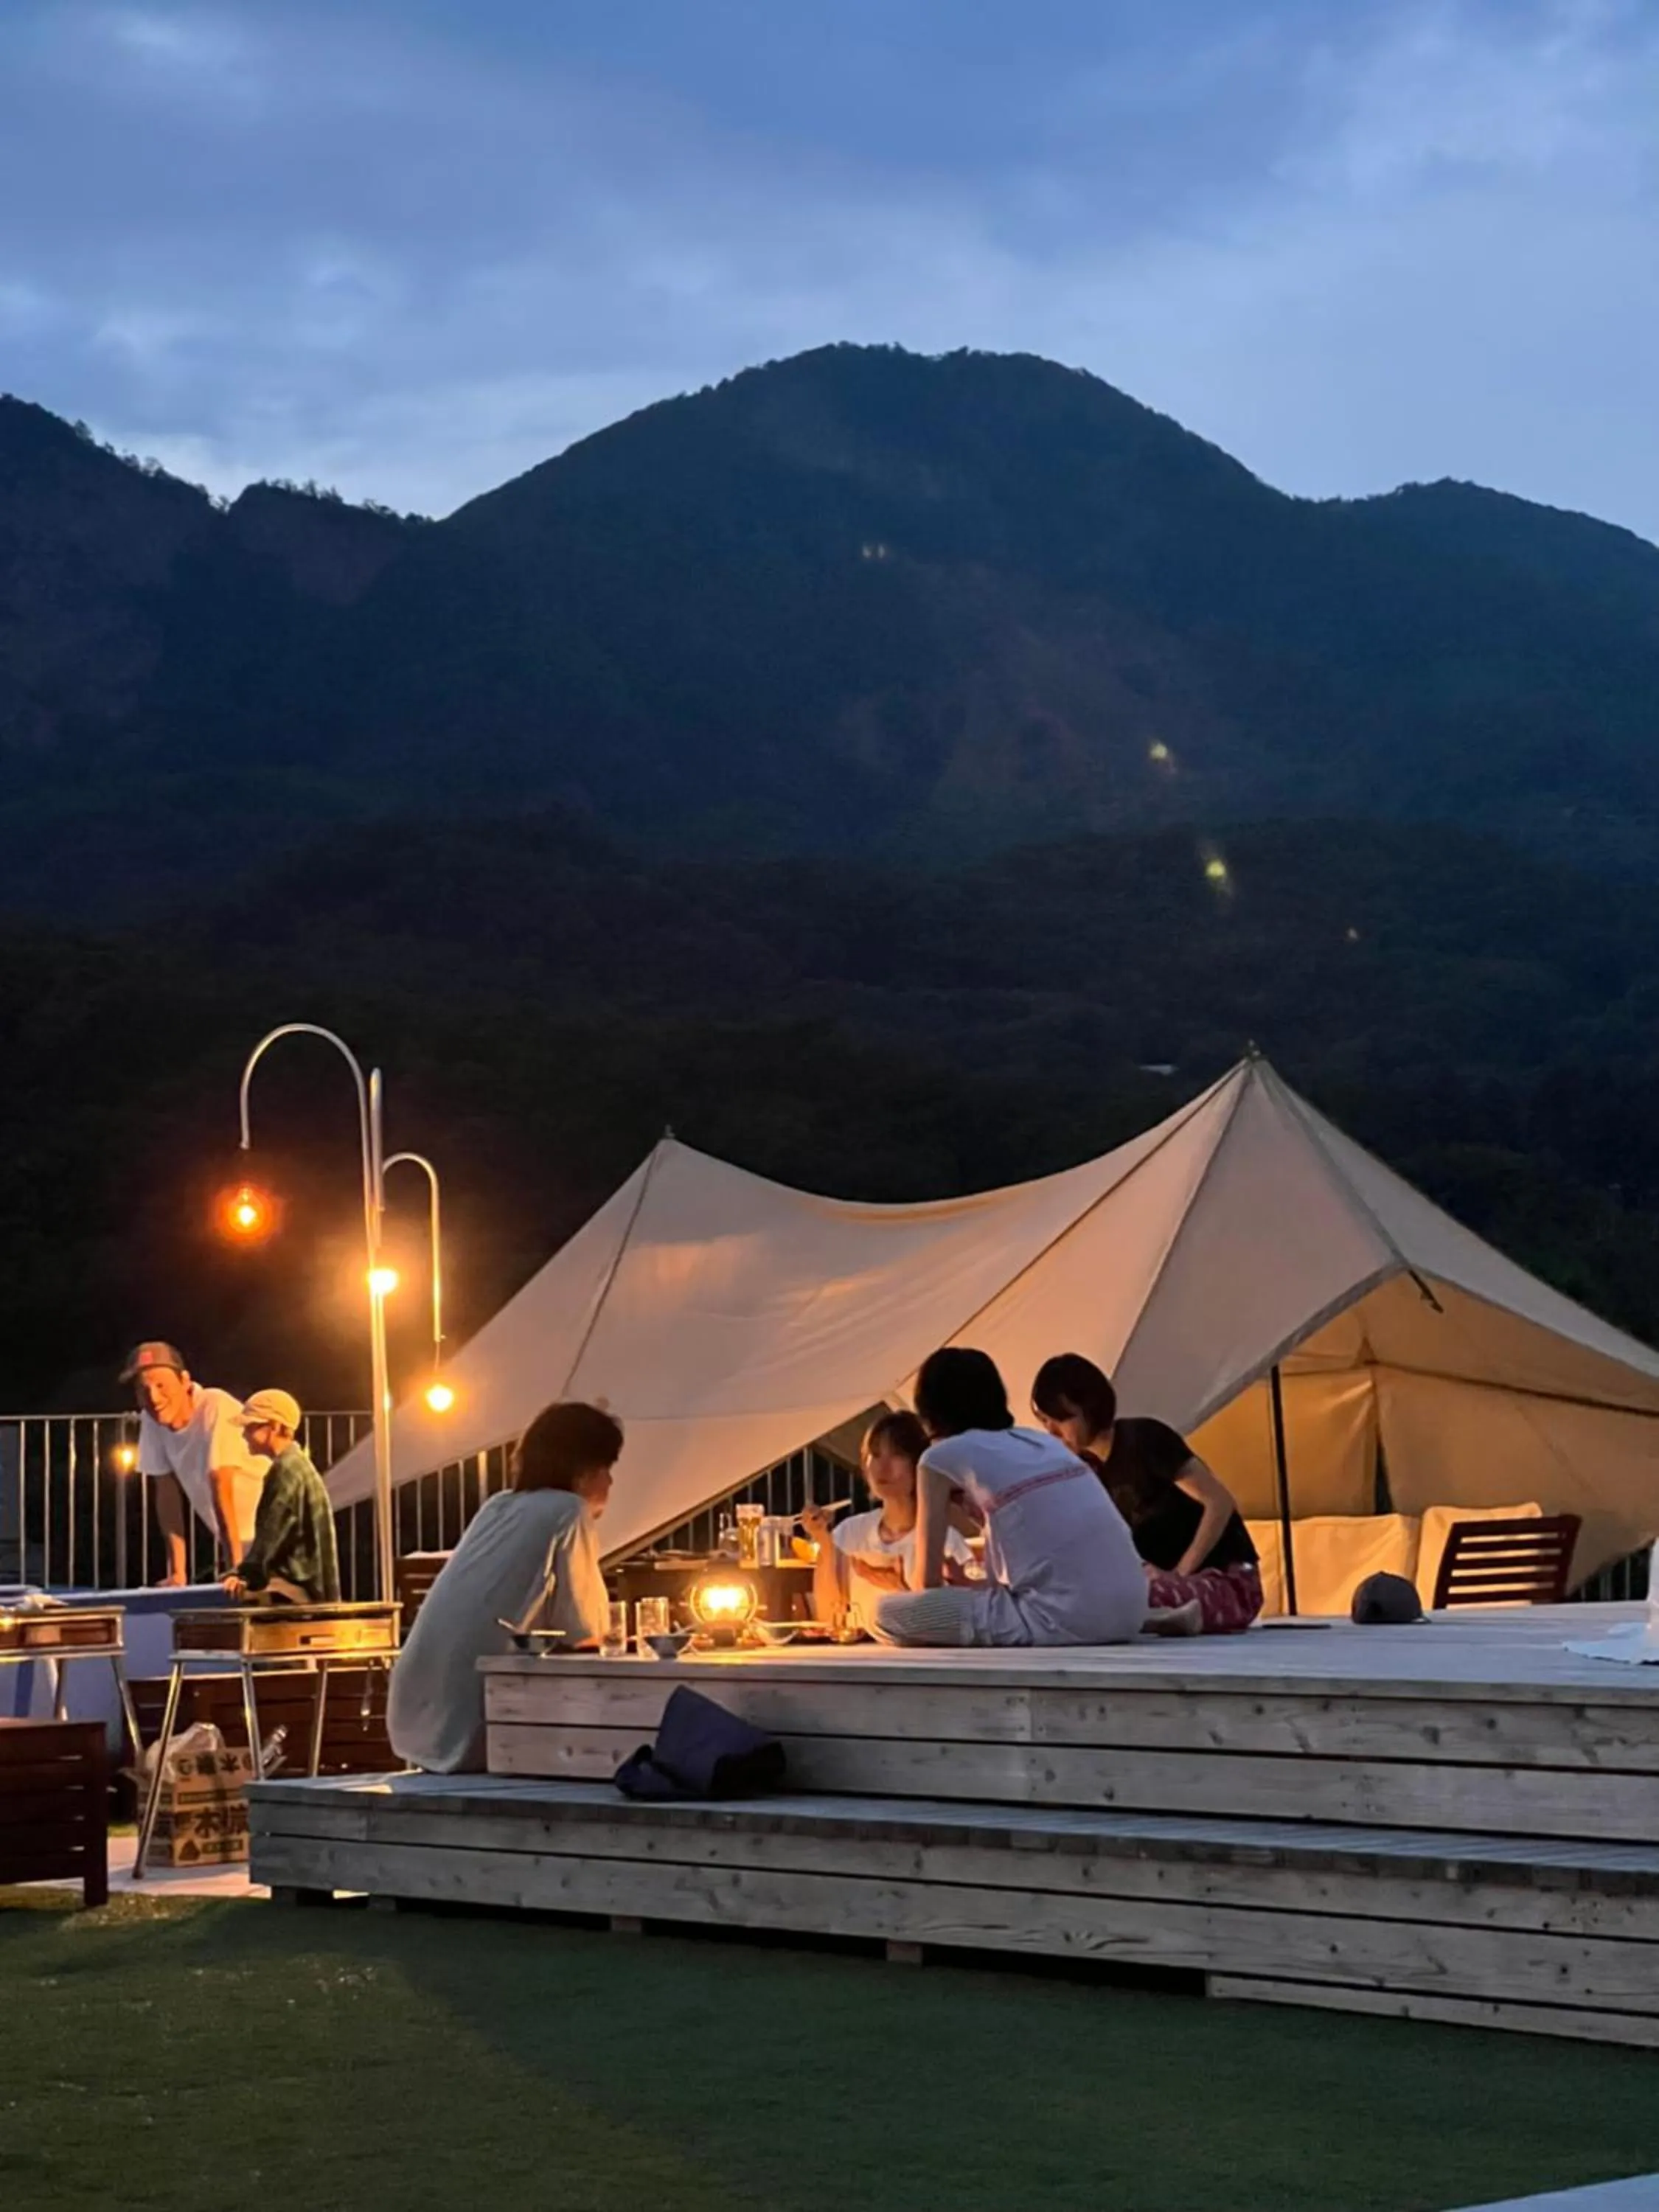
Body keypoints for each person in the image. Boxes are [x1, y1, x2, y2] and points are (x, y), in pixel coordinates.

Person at [388, 1401, 620, 1774]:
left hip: (415, 1718)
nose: (610, 1483)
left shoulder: (497, 1507)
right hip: (475, 1723)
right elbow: (586, 1632)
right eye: (607, 1469)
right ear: (585, 1470)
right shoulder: (568, 1511)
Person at [867, 1347, 1147, 1649]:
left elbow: (927, 1583)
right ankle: (1157, 1619)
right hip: (1132, 1611)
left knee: (883, 1613)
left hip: (1058, 1618)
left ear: (929, 1408)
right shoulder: (1043, 1444)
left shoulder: (940, 1457)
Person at [1031, 1352, 1262, 1635]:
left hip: (1226, 1581)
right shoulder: (1085, 1471)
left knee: (1145, 1593)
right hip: (1154, 1581)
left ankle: (1160, 1613)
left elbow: (1219, 1502)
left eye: (1062, 1420)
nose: (1053, 1432)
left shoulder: (1145, 1439)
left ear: (1090, 1408)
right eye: (1045, 1422)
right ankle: (1159, 1617)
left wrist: (1180, 1573)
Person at [802, 1410, 978, 1635]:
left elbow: (958, 1622)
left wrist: (900, 1587)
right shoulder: (850, 1533)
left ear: (919, 1464)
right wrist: (824, 1543)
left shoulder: (946, 1541)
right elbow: (827, 1617)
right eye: (874, 1455)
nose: (882, 1467)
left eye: (896, 1455)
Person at [123, 1341, 264, 1587]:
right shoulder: (151, 1419)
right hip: (241, 1543)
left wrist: (235, 1570)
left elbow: (222, 1485)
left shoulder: (216, 1405)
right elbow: (166, 1494)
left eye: (161, 1385)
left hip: (278, 1535)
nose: (154, 1398)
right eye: (143, 1389)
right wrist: (178, 1573)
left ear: (185, 1381)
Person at [223, 1389, 341, 1605]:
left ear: (275, 1427)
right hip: (312, 1590)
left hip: (296, 1592)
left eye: (251, 1426)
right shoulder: (298, 1465)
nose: (244, 1435)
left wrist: (244, 1575)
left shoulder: (285, 1471)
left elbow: (272, 1532)